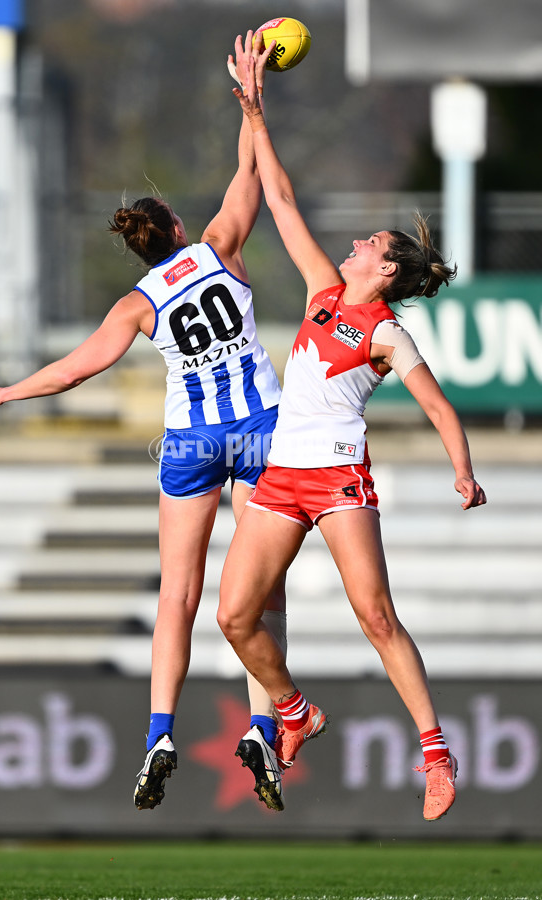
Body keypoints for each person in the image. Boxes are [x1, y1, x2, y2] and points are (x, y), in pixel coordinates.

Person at [0, 34, 288, 813]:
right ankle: (266, 727)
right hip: (261, 431)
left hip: (190, 441)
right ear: (174, 228)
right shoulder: (219, 251)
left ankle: (160, 733)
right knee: (261, 598)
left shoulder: (137, 305)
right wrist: (251, 100)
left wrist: (4, 392)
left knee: (176, 594)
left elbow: (74, 369)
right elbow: (251, 173)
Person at [216, 36, 487, 822]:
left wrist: (461, 469)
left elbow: (437, 406)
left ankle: (436, 754)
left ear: (390, 271)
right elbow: (283, 200)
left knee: (376, 615)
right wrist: (254, 110)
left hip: (337, 480)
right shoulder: (321, 292)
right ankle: (294, 711)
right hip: (280, 478)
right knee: (234, 617)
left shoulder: (386, 335)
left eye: (371, 243)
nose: (358, 241)